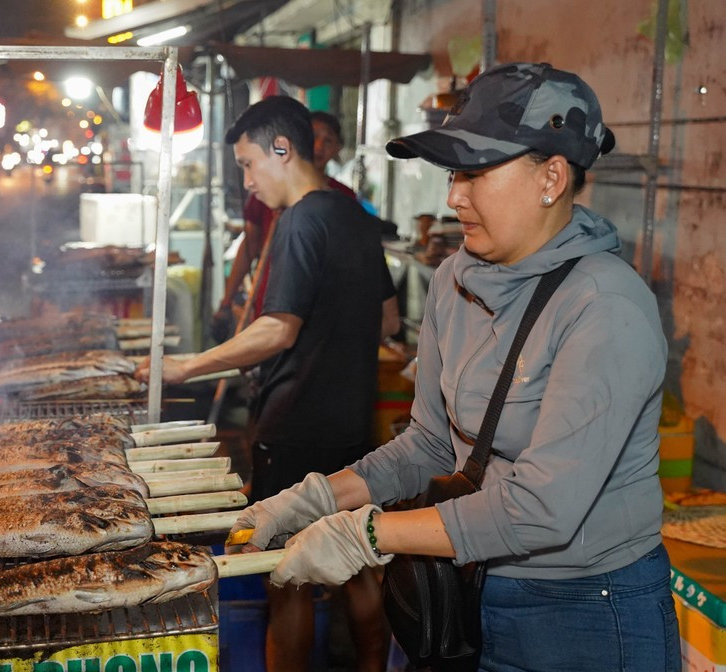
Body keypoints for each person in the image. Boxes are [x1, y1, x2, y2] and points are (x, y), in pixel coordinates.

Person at [228, 62, 679, 672]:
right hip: (469, 585)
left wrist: (366, 534)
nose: (452, 196)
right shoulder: (454, 280)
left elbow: (543, 507)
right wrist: (314, 500)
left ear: (551, 177)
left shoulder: (605, 306)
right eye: (452, 173)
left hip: (584, 610)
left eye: (474, 172)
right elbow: (430, 444)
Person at [137, 95, 400, 672]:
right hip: (351, 427)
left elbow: (278, 330)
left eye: (249, 164)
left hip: (295, 425)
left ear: (283, 150)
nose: (249, 181)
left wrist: (184, 366)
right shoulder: (354, 215)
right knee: (358, 560)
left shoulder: (300, 219)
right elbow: (390, 320)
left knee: (284, 574)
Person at [211, 109, 359, 342]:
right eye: (314, 136)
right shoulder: (264, 194)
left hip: (308, 327)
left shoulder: (342, 203)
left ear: (338, 148)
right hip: (269, 305)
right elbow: (249, 246)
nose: (318, 145)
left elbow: (281, 331)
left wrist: (188, 367)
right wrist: (227, 301)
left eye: (328, 140)